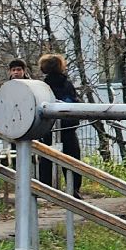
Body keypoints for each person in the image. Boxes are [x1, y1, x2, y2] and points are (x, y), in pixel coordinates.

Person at [37, 53, 83, 196]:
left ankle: (46, 188)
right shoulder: (67, 84)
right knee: (72, 158)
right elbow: (74, 103)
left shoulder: (42, 86)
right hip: (68, 127)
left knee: (46, 158)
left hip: (47, 128)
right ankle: (74, 189)